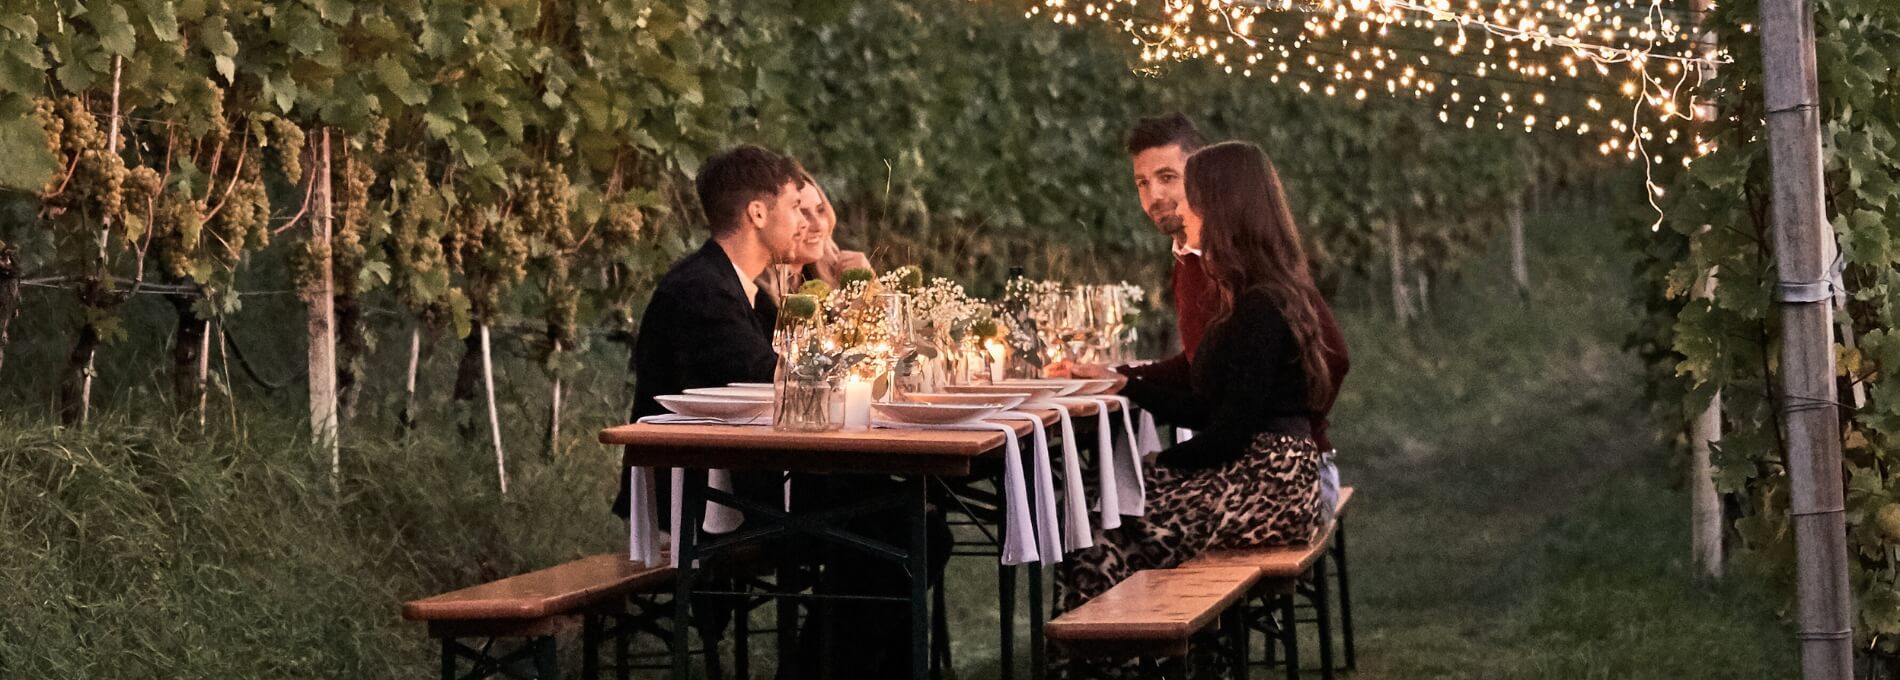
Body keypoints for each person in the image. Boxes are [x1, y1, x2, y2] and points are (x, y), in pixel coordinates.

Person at [1054, 143, 1336, 668]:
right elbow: (1212, 408)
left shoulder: (1258, 304)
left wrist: (1158, 466)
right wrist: (1127, 387)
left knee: (1094, 515)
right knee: (1106, 505)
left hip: (1268, 485)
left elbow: (1226, 432)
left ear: (1223, 208)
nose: (1180, 210)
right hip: (1264, 475)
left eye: (1192, 199)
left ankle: (1113, 662)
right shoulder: (1252, 291)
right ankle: (1151, 660)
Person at [1063, 113, 1350, 524]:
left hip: (1282, 473)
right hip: (1245, 461)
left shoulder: (1253, 276)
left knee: (1101, 511)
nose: (1157, 196)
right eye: (1142, 183)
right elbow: (1203, 363)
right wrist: (1122, 377)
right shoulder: (1188, 260)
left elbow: (1333, 356)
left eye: (1168, 178)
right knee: (1097, 503)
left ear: (1205, 180)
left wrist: (1294, 431)